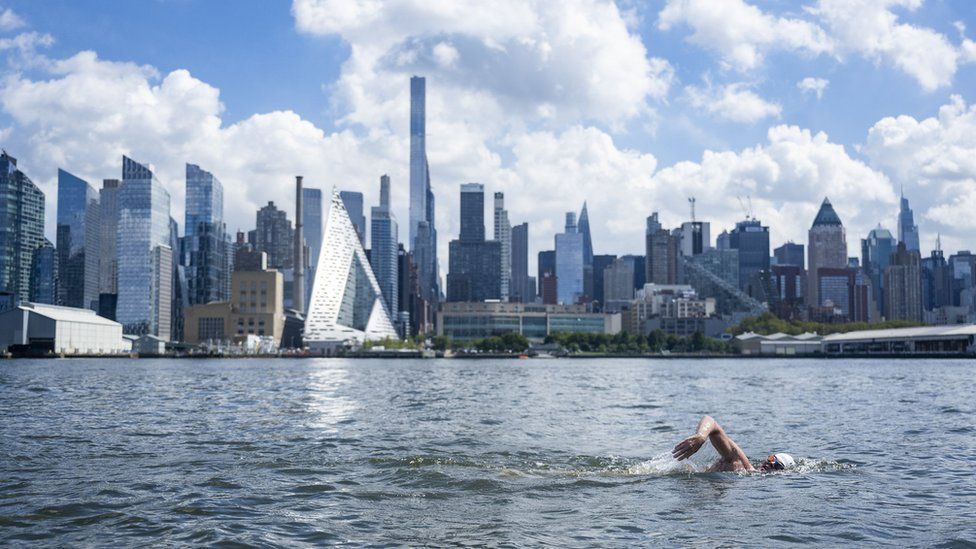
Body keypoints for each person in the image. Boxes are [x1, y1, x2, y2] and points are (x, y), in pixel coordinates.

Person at [671, 415, 795, 472]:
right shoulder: (740, 465)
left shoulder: (746, 473)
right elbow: (711, 422)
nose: (770, 463)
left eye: (777, 465)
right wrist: (701, 437)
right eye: (772, 458)